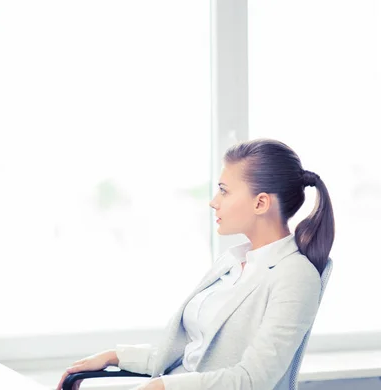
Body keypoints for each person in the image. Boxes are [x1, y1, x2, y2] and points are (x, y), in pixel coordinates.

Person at [56, 138, 335, 390]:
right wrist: (114, 356)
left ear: (260, 203)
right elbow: (191, 355)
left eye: (224, 191)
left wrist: (163, 388)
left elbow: (254, 379)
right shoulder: (233, 262)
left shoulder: (295, 276)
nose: (214, 202)